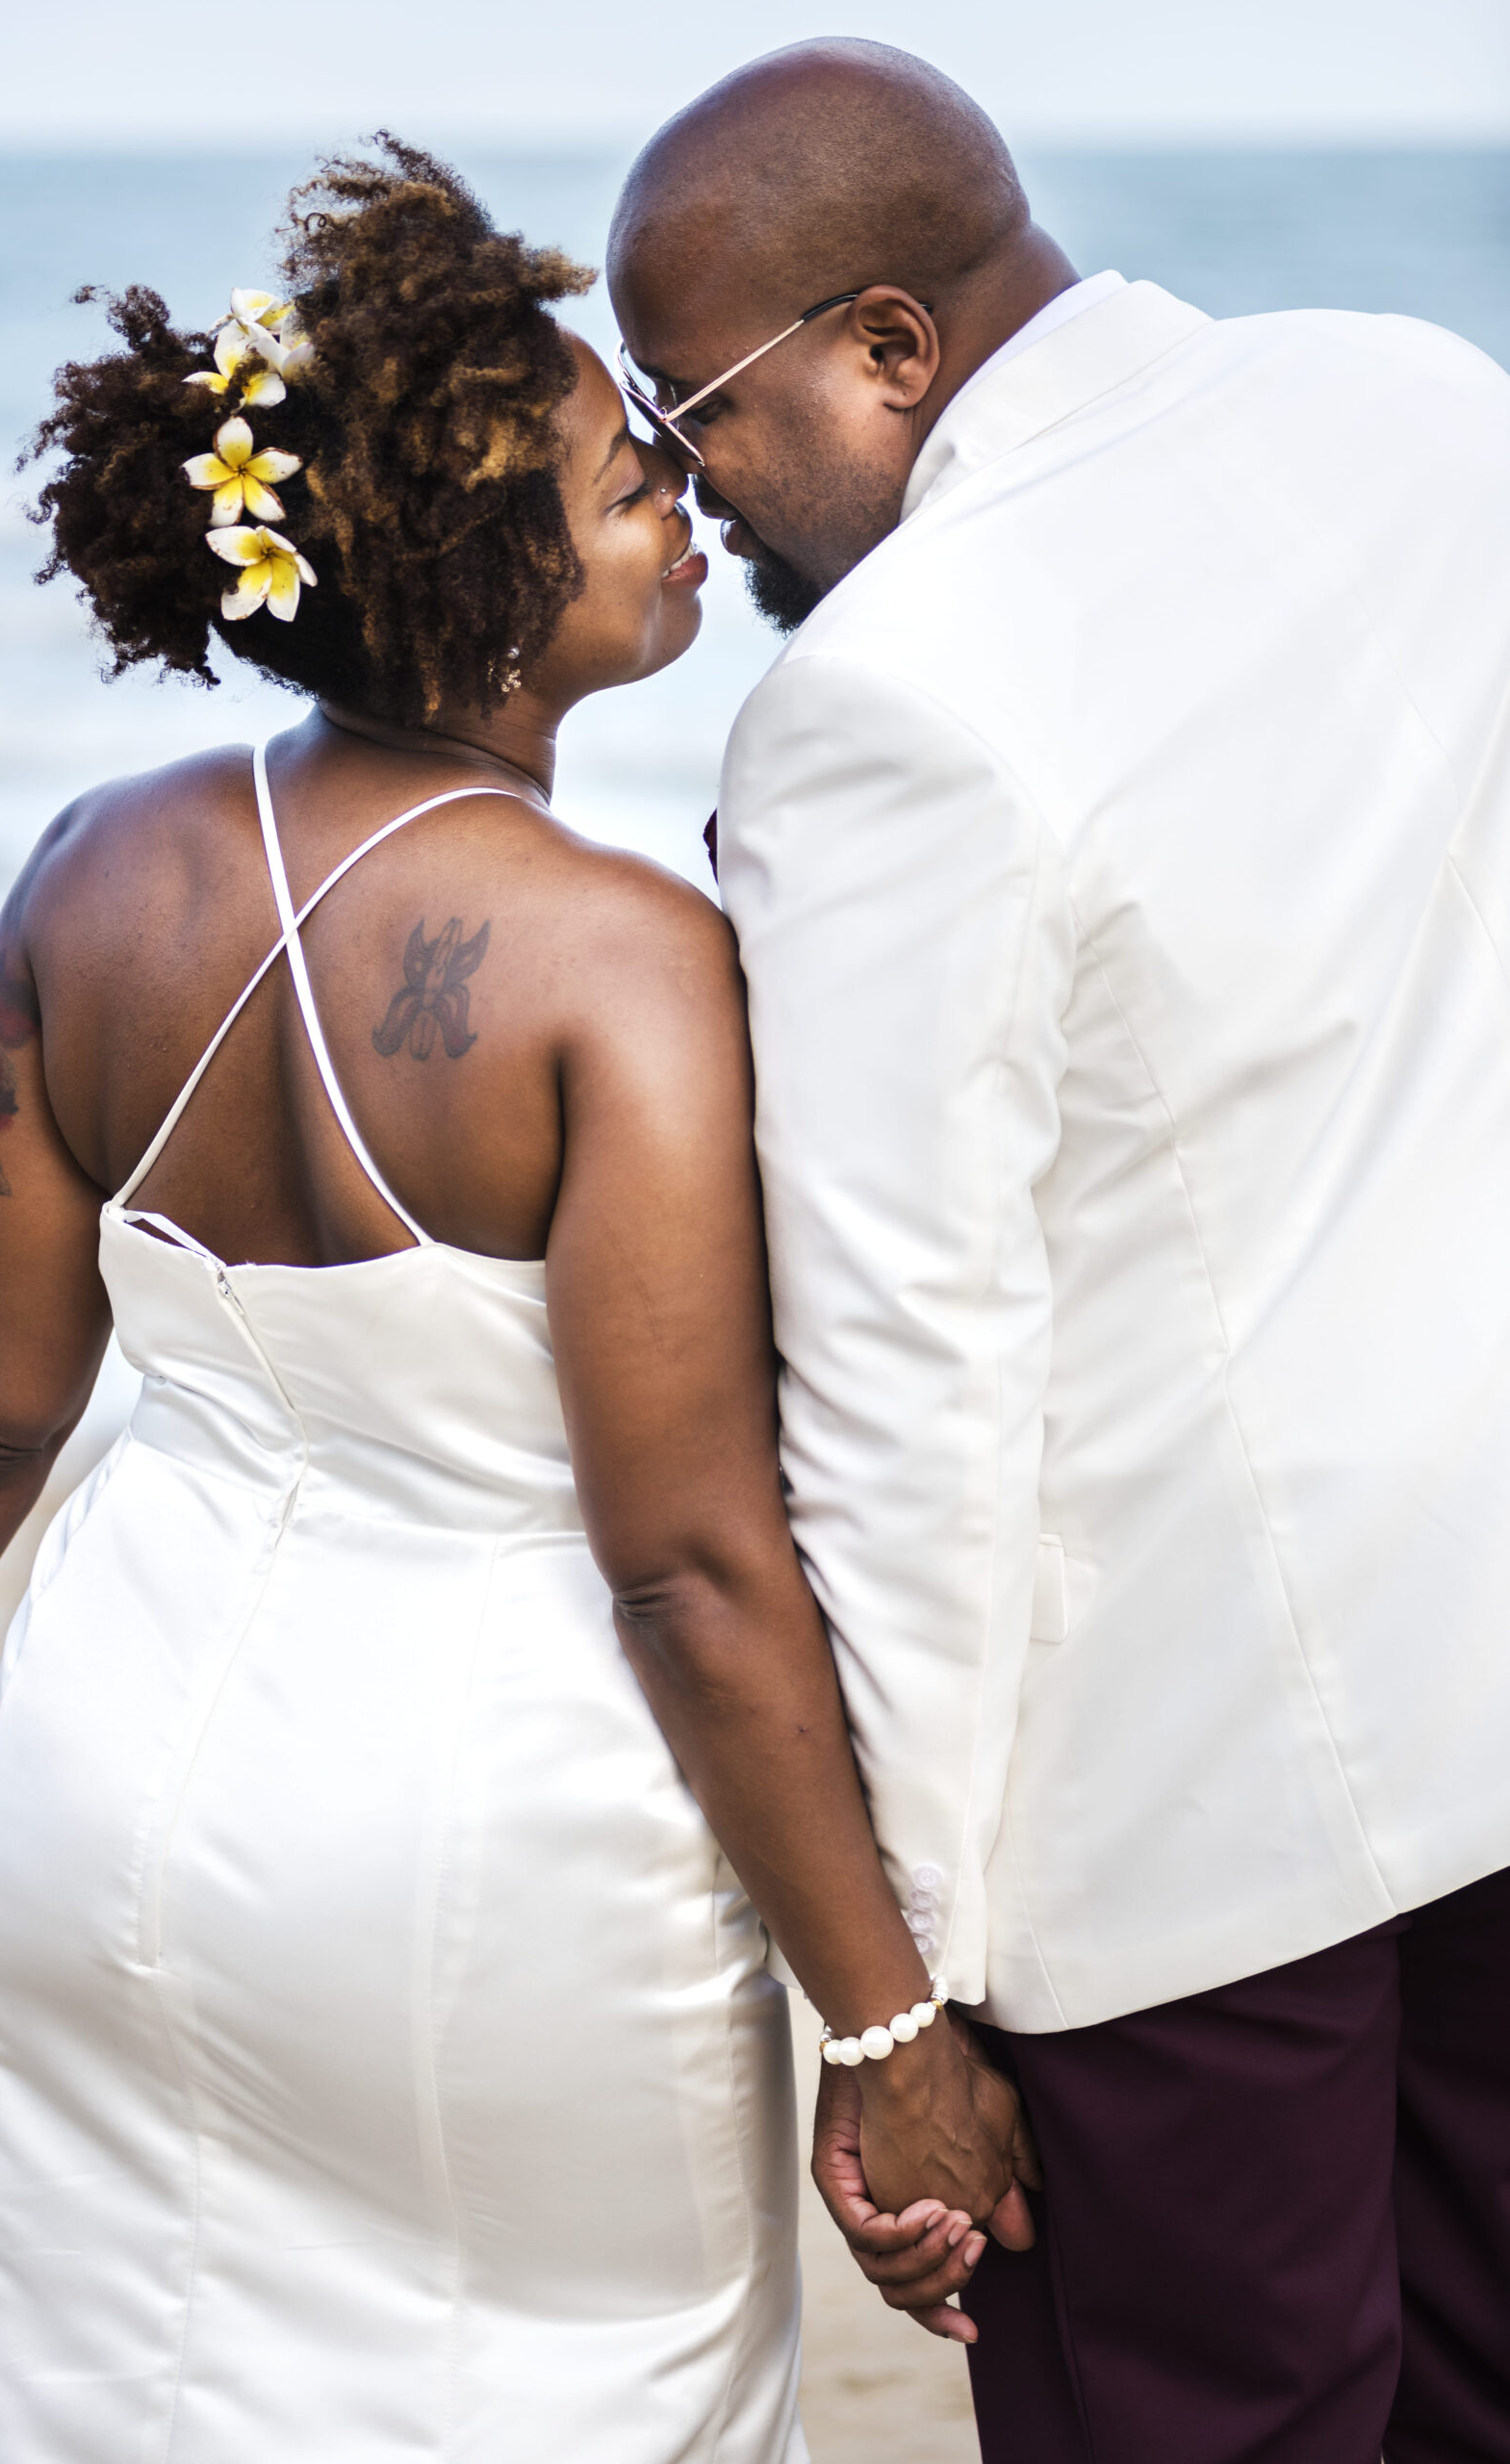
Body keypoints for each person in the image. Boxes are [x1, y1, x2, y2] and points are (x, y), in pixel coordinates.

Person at [0, 139, 1024, 2463]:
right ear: (496, 582)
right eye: (626, 478)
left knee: (108, 2360)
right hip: (489, 1852)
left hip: (105, 1784)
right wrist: (892, 2037)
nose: (682, 493)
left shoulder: (97, 869)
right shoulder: (620, 960)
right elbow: (688, 1567)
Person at [608, 39, 1510, 2464]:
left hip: (1188, 1829)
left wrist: (907, 1995)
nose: (691, 503)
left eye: (694, 416)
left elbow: (911, 1381)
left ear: (885, 345)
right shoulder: (1418, 398)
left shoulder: (886, 701)